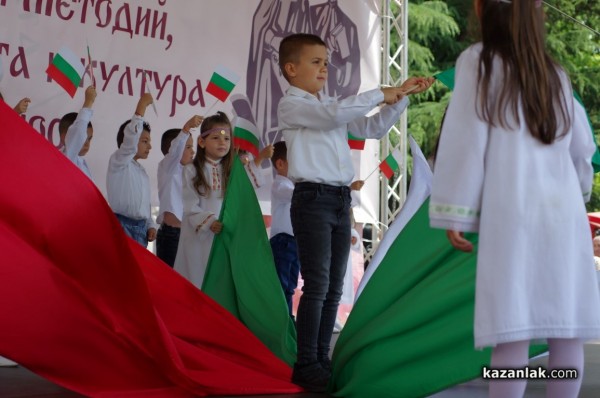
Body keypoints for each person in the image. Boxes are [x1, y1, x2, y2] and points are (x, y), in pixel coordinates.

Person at [429, 1, 600, 397]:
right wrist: (578, 190)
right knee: (566, 331)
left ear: (480, 9)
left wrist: (456, 209)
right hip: (563, 216)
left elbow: (465, 140)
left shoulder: (480, 61)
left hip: (513, 215)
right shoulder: (554, 71)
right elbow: (582, 146)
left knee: (511, 332)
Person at [277, 32, 433, 391]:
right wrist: (381, 92)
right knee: (317, 284)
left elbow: (373, 127)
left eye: (325, 62)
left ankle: (320, 357)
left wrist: (400, 96)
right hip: (312, 199)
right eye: (315, 62)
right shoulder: (294, 105)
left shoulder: (330, 106)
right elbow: (334, 115)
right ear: (291, 68)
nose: (323, 68)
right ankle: (306, 363)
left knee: (333, 286)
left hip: (337, 199)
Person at [174, 112, 233, 289]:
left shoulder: (232, 171)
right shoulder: (191, 170)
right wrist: (210, 222)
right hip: (198, 236)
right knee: (196, 282)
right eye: (216, 138)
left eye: (227, 139)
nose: (222, 143)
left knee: (221, 286)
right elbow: (189, 205)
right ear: (201, 142)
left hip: (224, 236)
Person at [106, 93, 157, 247]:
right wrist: (141, 106)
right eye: (145, 141)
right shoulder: (119, 161)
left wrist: (150, 224)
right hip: (121, 226)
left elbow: (144, 204)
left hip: (141, 231)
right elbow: (130, 139)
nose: (149, 146)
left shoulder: (142, 172)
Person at [156, 116, 202, 267]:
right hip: (171, 235)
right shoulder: (168, 167)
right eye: (188, 147)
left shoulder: (190, 172)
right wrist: (187, 127)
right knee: (168, 281)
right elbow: (175, 151)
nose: (192, 151)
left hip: (188, 234)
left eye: (192, 146)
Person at [269, 141, 300, 320]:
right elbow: (295, 196)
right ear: (280, 164)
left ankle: (286, 318)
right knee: (282, 284)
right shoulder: (280, 185)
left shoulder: (292, 186)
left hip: (294, 241)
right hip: (283, 241)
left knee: (289, 285)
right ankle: (280, 320)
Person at [58, 85, 96, 179]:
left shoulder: (81, 163)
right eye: (83, 138)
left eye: (89, 139)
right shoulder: (66, 159)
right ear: (64, 137)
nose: (87, 145)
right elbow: (78, 131)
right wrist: (88, 102)